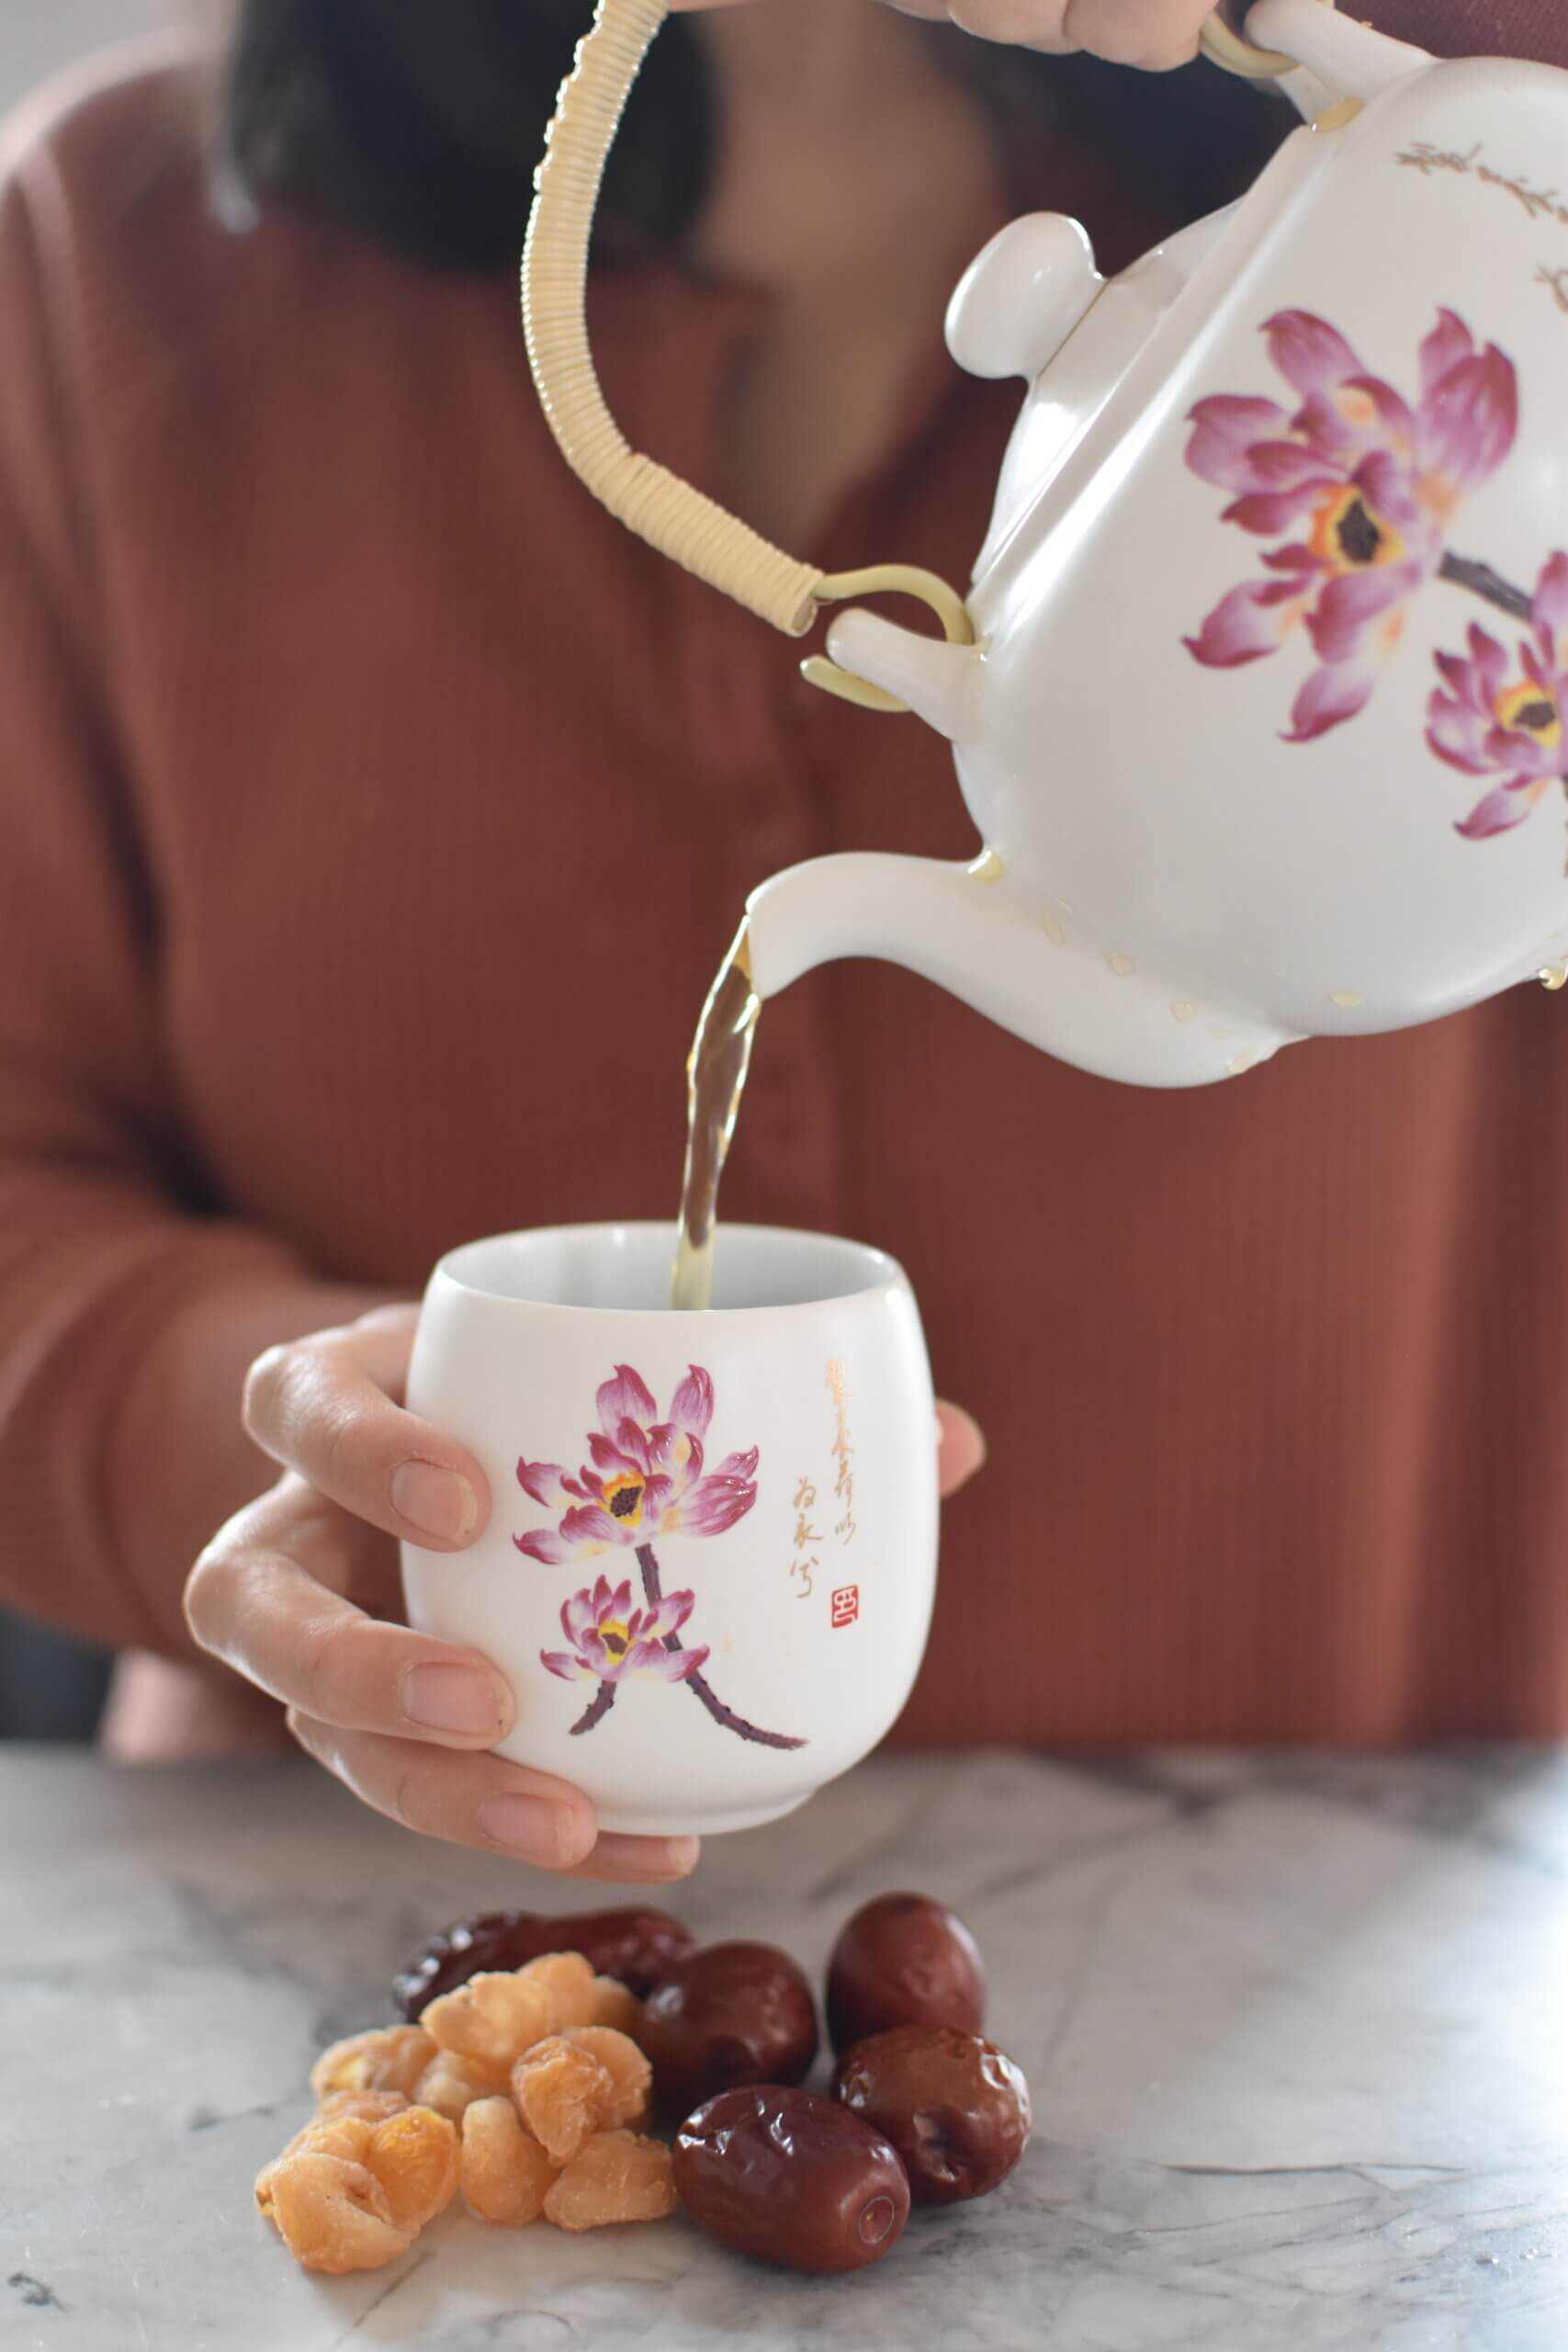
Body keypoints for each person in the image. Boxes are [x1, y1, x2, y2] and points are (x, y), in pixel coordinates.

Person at [1, 0, 1563, 1885]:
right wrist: (301, 1448)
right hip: (366, 1951)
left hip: (1355, 1996)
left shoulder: (1425, 171)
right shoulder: (113, 258)